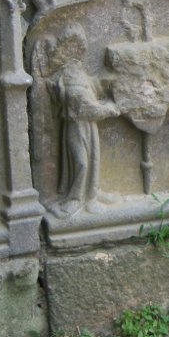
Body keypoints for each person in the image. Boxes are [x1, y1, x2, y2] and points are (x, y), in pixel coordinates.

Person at [48, 25, 120, 218]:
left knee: (93, 159)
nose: (80, 52)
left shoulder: (78, 72)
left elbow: (92, 87)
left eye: (80, 47)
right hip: (76, 125)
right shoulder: (67, 75)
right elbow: (84, 105)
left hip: (88, 126)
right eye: (75, 47)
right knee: (82, 163)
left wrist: (109, 82)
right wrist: (108, 109)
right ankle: (74, 199)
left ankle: (92, 194)